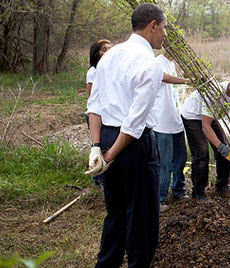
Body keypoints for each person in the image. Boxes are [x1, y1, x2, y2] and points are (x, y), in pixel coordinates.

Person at [85, 3, 167, 267]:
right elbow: (134, 123)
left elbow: (94, 106)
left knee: (116, 212)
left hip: (108, 138)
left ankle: (106, 264)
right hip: (133, 146)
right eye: (164, 28)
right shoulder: (149, 64)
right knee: (141, 215)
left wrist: (97, 146)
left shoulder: (109, 55)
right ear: (152, 25)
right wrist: (108, 154)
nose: (164, 35)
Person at [181, 70, 230, 200]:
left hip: (210, 118)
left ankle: (221, 185)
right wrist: (220, 147)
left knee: (227, 149)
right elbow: (205, 126)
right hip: (192, 115)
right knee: (202, 152)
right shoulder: (215, 92)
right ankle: (198, 192)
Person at [154, 50, 191, 212]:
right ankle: (159, 199)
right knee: (165, 163)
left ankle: (178, 190)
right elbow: (163, 77)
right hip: (162, 123)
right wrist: (187, 80)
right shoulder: (157, 61)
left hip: (176, 120)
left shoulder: (171, 64)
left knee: (181, 158)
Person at [86, 39, 112, 188]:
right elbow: (93, 100)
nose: (107, 51)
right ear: (96, 54)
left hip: (106, 114)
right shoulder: (93, 72)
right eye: (103, 49)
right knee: (99, 146)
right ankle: (98, 180)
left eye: (109, 48)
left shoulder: (108, 70)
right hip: (96, 115)